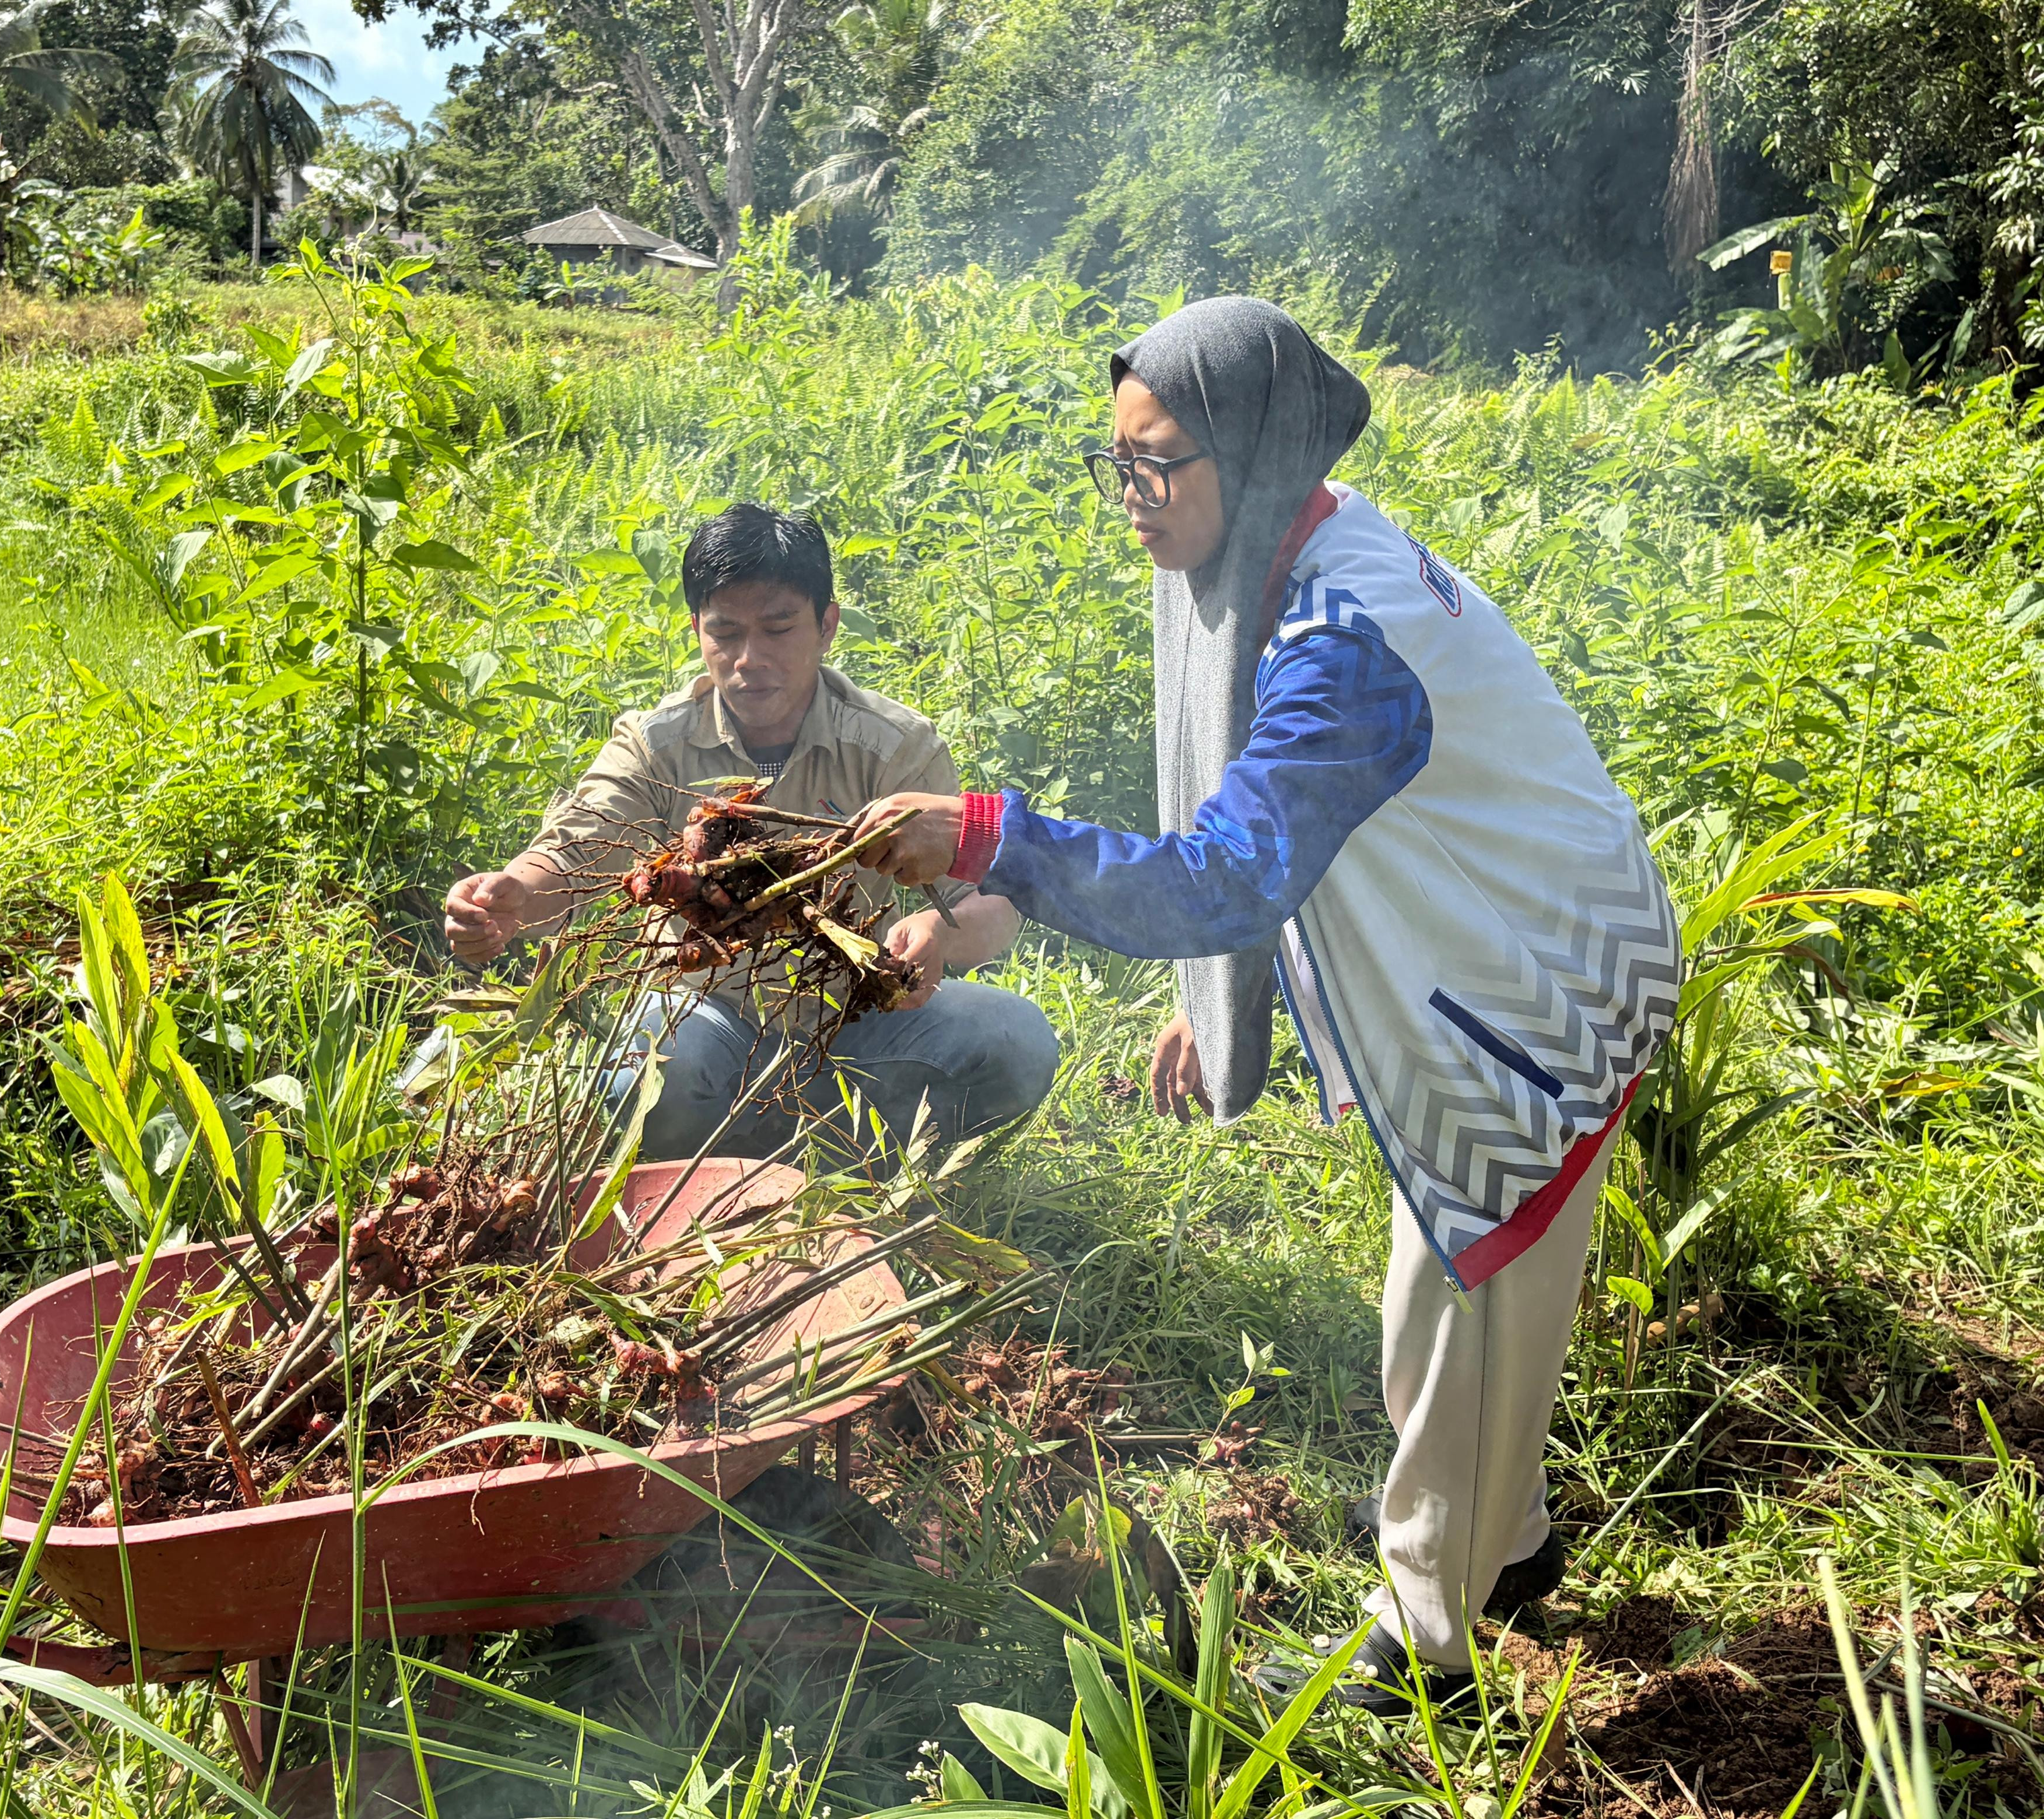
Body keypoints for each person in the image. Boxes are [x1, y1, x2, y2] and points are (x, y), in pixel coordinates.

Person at [844, 299, 1680, 1715]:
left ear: (1256, 449)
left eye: (1158, 462)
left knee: (1466, 1279)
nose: (1133, 500)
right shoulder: (1286, 546)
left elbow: (1231, 872)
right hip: (1486, 944)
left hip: (1538, 990)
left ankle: (1427, 1639)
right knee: (1450, 1282)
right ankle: (1510, 1539)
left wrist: (991, 834)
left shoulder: (1350, 635)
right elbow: (1255, 829)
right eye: (1120, 461)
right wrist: (1213, 993)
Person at [443, 503, 1058, 1162]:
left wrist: (939, 935)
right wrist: (509, 897)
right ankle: (714, 1157)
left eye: (777, 629)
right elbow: (576, 847)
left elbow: (994, 895)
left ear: (826, 625)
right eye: (725, 633)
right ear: (695, 631)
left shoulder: (891, 746)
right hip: (702, 1013)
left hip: (857, 1016)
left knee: (1016, 1040)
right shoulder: (655, 744)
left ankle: (844, 1142)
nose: (748, 659)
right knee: (645, 1079)